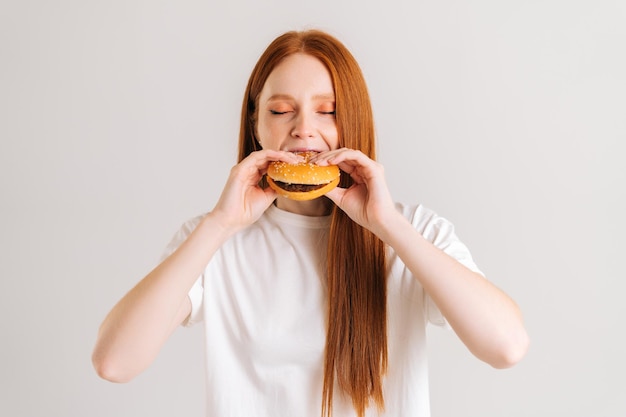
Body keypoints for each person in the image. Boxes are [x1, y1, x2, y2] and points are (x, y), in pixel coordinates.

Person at [92, 29, 529, 417]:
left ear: (354, 119)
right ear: (256, 124)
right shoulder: (212, 240)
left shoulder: (413, 230)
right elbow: (114, 362)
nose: (304, 130)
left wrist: (386, 225)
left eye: (328, 111)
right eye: (282, 110)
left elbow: (506, 347)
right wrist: (221, 223)